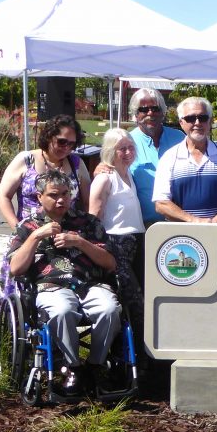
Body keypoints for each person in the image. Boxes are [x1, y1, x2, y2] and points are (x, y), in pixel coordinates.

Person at [8, 170, 120, 395]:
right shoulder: (28, 226)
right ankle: (73, 368)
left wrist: (80, 242)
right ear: (39, 197)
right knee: (62, 310)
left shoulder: (88, 223)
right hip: (51, 286)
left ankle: (95, 365)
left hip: (90, 284)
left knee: (109, 309)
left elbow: (110, 264)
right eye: (53, 195)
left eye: (65, 194)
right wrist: (36, 236)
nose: (61, 199)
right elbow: (15, 268)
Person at [0, 114, 91, 303]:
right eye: (62, 141)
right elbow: (3, 196)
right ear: (49, 137)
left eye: (72, 144)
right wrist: (17, 228)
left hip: (66, 233)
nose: (67, 148)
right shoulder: (27, 159)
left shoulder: (76, 163)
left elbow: (87, 201)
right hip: (29, 231)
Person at [89, 128, 146, 365]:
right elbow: (94, 217)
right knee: (131, 302)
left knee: (140, 299)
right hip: (116, 244)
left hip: (137, 241)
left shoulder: (129, 174)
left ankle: (137, 355)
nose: (127, 152)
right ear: (111, 151)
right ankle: (127, 357)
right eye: (121, 148)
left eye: (130, 147)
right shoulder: (105, 177)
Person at [152, 97, 217, 223]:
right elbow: (161, 203)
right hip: (181, 236)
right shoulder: (168, 158)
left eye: (203, 117)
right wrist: (194, 221)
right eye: (190, 118)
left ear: (210, 121)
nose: (197, 123)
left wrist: (213, 224)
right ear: (181, 122)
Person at [125, 88, 185, 225]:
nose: (150, 113)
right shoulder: (126, 142)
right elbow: (111, 168)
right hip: (142, 225)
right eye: (144, 110)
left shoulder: (180, 138)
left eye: (155, 108)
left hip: (179, 221)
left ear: (163, 112)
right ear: (135, 114)